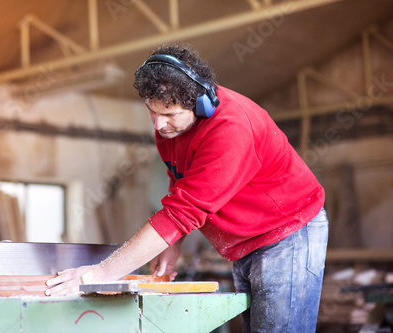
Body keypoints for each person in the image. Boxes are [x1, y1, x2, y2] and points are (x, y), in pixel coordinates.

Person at [45, 44, 328, 332]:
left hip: (288, 232)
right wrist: (172, 243)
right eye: (151, 112)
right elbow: (181, 183)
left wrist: (100, 272)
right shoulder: (171, 130)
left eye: (169, 114)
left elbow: (184, 211)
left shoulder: (232, 129)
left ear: (200, 102)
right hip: (248, 243)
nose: (158, 125)